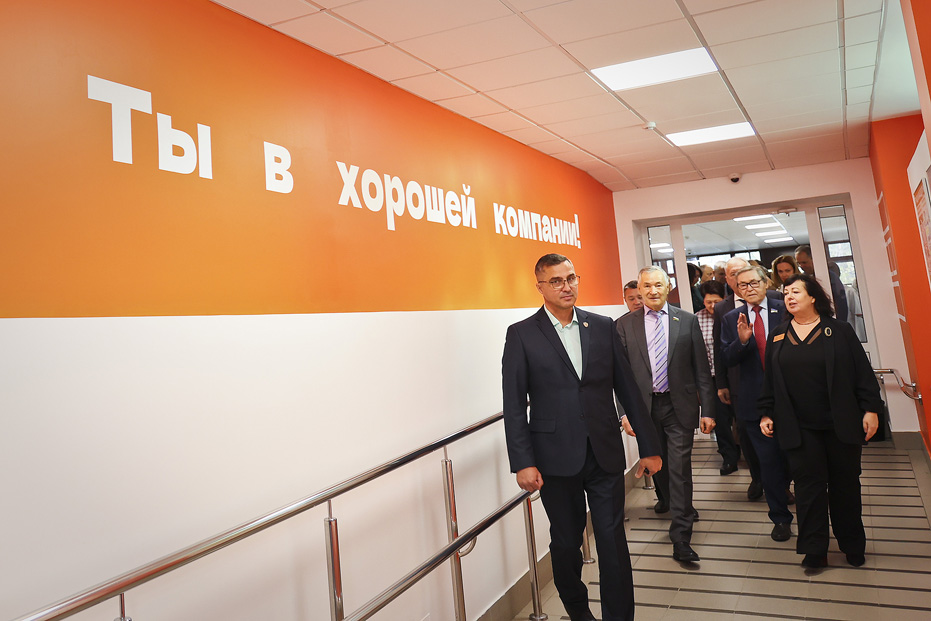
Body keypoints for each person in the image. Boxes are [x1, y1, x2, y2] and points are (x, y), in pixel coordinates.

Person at [503, 253, 662, 621]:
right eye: (556, 281)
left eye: (571, 278)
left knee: (612, 540)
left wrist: (649, 447)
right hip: (554, 458)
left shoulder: (602, 327)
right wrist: (523, 461)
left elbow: (628, 390)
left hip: (604, 452)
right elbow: (513, 405)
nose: (566, 286)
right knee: (566, 541)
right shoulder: (522, 334)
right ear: (540, 287)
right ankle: (578, 611)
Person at [758, 274, 883, 569]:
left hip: (840, 422)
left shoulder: (839, 330)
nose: (789, 297)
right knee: (808, 488)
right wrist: (766, 412)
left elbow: (862, 373)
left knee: (845, 486)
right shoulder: (778, 335)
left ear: (813, 297)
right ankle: (814, 549)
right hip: (798, 426)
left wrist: (871, 409)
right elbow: (770, 381)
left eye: (796, 291)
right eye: (785, 293)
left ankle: (852, 543)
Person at [615, 266, 715, 563]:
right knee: (657, 465)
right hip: (643, 410)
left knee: (680, 469)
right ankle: (675, 505)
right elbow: (618, 376)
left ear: (668, 287)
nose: (653, 291)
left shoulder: (686, 320)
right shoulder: (624, 325)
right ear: (639, 290)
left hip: (678, 406)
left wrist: (708, 410)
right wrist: (624, 413)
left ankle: (681, 536)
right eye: (647, 286)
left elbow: (701, 369)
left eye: (658, 285)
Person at [720, 265, 794, 542]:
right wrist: (741, 342)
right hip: (753, 401)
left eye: (753, 282)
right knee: (768, 462)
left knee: (793, 459)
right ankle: (780, 518)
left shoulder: (785, 308)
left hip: (791, 397)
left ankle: (791, 492)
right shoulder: (732, 318)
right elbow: (726, 358)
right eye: (742, 285)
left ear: (766, 283)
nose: (748, 288)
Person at [712, 257, 770, 495]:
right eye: (735, 276)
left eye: (750, 279)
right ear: (729, 280)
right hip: (740, 382)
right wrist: (721, 383)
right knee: (747, 435)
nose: (744, 283)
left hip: (775, 382)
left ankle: (779, 484)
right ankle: (757, 480)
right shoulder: (722, 309)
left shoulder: (777, 302)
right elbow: (719, 349)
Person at [697, 280, 738, 473]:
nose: (712, 306)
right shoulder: (697, 319)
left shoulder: (733, 315)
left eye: (716, 301)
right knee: (721, 421)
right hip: (712, 377)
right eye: (708, 302)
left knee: (741, 419)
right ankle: (729, 457)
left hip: (734, 375)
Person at [795, 245, 848, 322]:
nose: (801, 266)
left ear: (813, 259)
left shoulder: (829, 277)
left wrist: (839, 323)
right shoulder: (803, 279)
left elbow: (840, 302)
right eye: (798, 263)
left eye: (804, 262)